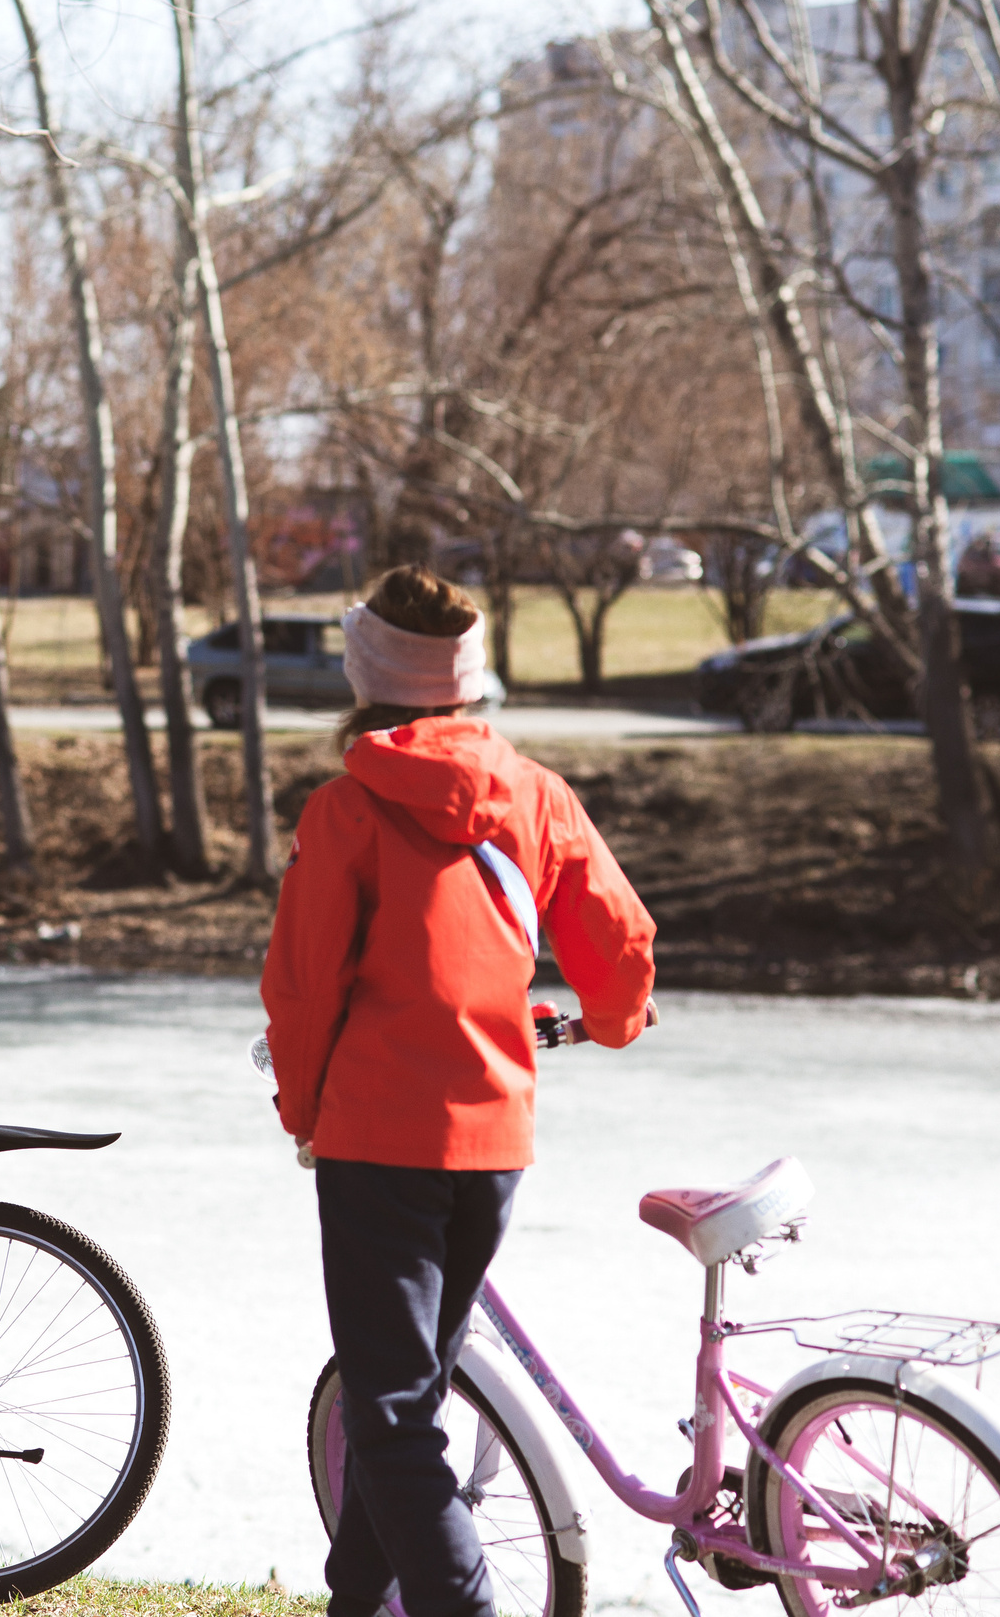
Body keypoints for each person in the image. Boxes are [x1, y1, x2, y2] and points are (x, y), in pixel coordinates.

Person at [261, 566, 656, 1617]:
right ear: (469, 682)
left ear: (365, 675)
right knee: (411, 1393)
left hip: (376, 1137)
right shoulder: (534, 793)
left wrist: (303, 1112)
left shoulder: (345, 810)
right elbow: (617, 943)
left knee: (389, 1412)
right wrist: (612, 1020)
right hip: (494, 1139)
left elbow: (303, 987)